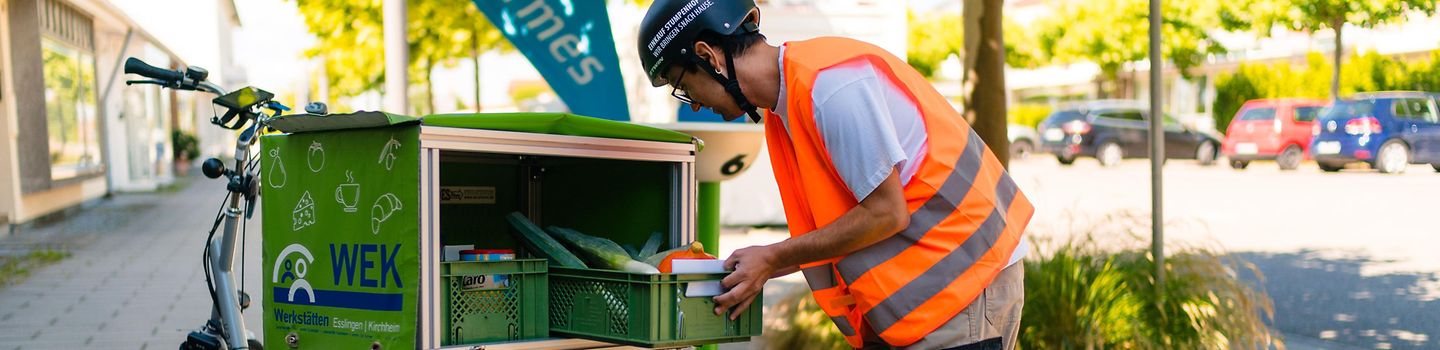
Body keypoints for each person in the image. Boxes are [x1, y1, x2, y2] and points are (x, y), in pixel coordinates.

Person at [637, 1, 1034, 349]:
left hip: (965, 287)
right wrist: (765, 264)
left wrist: (773, 258)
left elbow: (886, 212)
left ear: (709, 56)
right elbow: (848, 217)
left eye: (684, 86)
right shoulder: (788, 104)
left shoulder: (829, 88)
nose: (696, 106)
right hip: (939, 294)